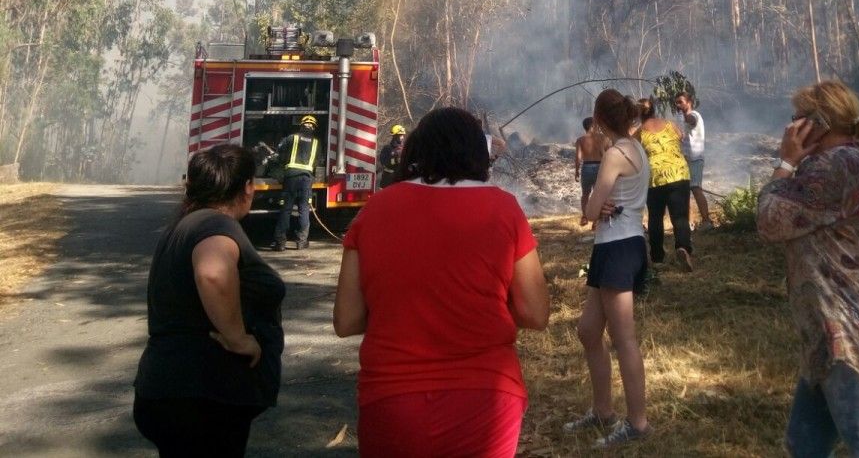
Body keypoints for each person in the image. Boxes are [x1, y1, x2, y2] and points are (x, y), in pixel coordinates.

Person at [333, 107, 550, 458]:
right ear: (478, 154)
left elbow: (346, 321)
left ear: (418, 150)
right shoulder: (504, 209)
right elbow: (536, 313)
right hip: (487, 397)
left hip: (392, 399)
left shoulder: (374, 209)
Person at [757, 80, 859, 458]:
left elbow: (770, 220)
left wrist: (785, 163)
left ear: (818, 124)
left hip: (849, 333)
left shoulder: (836, 166)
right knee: (805, 443)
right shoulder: (850, 161)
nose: (790, 127)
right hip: (829, 334)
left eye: (797, 119)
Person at [133, 144, 285, 458]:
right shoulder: (214, 224)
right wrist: (237, 338)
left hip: (177, 392)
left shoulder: (187, 223)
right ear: (247, 187)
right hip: (202, 398)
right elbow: (213, 273)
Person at [564, 89, 652, 448]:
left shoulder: (617, 153)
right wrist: (597, 208)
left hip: (619, 245)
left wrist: (594, 207)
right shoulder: (635, 148)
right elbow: (598, 208)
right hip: (611, 245)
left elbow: (589, 209)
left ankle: (638, 423)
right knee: (588, 331)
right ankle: (603, 411)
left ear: (599, 120)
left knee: (623, 338)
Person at [635, 98, 693, 271]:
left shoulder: (639, 133)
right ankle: (683, 247)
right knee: (680, 216)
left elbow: (633, 151)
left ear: (639, 114)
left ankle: (658, 258)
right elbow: (681, 137)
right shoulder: (670, 124)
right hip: (679, 172)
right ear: (654, 109)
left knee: (655, 218)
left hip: (655, 177)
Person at [271, 114, 322, 251]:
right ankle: (301, 242)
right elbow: (318, 161)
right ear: (314, 127)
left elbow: (279, 154)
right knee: (304, 210)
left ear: (301, 125)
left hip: (291, 178)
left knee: (286, 209)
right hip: (306, 179)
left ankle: (280, 242)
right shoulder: (317, 143)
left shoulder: (291, 138)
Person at [673, 90, 713, 230]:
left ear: (689, 103)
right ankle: (688, 223)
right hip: (685, 159)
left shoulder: (694, 115)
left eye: (681, 102)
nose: (678, 105)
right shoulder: (681, 117)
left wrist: (683, 117)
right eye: (676, 102)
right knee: (684, 191)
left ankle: (707, 221)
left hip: (695, 159)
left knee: (696, 189)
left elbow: (692, 120)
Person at [575, 116, 608, 225]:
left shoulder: (580, 140)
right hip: (600, 167)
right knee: (598, 194)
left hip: (587, 167)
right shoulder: (603, 138)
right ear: (594, 126)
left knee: (585, 194)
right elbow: (608, 154)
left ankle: (584, 217)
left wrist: (576, 171)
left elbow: (578, 157)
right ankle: (596, 220)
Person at [376, 123, 406, 189]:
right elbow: (384, 162)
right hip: (387, 180)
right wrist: (396, 160)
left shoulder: (405, 149)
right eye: (401, 135)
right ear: (395, 136)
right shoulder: (387, 149)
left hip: (400, 180)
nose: (402, 137)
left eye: (403, 135)